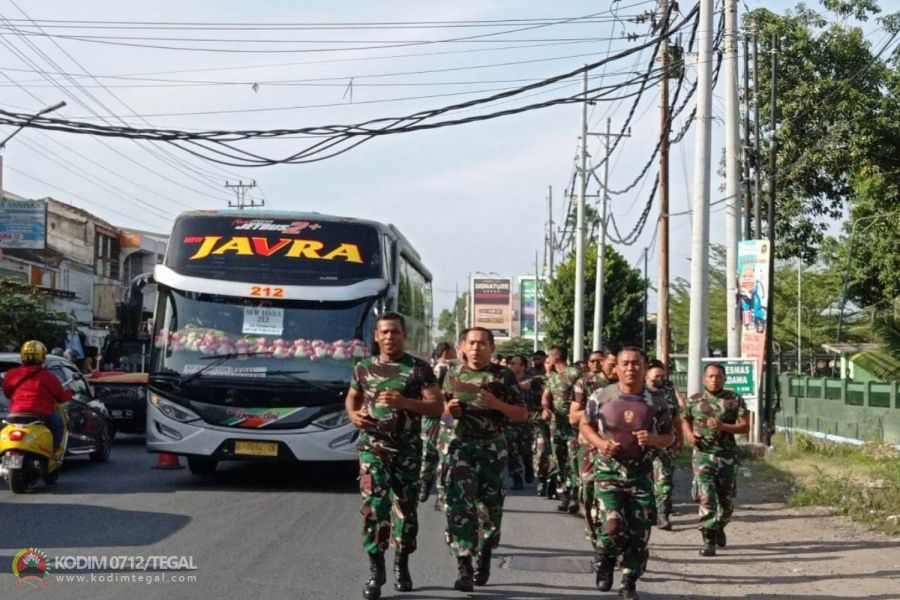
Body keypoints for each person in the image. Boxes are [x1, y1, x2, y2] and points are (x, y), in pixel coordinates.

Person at [344, 313, 444, 600]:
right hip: (372, 449)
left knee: (405, 510)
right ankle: (376, 571)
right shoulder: (363, 368)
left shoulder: (419, 369)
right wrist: (355, 415)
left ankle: (402, 563)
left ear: (404, 335)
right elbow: (352, 397)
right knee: (374, 509)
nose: (390, 337)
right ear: (376, 336)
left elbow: (436, 406)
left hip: (407, 451)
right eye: (385, 332)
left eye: (395, 332)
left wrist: (404, 402)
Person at [580, 347, 674, 600]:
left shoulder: (657, 399)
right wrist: (600, 444)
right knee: (612, 526)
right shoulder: (601, 395)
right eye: (625, 364)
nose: (630, 368)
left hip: (640, 474)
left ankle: (629, 579)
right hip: (608, 472)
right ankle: (605, 557)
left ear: (644, 367)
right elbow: (585, 425)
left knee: (639, 531)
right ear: (616, 367)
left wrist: (653, 439)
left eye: (636, 364)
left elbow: (669, 437)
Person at [442, 327, 527, 591]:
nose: (477, 348)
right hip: (461, 448)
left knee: (489, 508)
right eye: (472, 343)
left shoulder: (503, 377)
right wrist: (449, 410)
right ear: (463, 347)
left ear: (491, 348)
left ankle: (486, 553)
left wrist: (497, 405)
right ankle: (464, 564)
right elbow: (440, 414)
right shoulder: (452, 375)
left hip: (493, 450)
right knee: (459, 504)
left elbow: (522, 414)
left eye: (482, 343)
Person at [682, 362, 750, 556]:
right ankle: (708, 538)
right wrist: (688, 434)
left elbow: (745, 426)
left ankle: (719, 525)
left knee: (726, 502)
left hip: (726, 456)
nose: (714, 380)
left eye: (718, 376)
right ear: (704, 379)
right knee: (706, 497)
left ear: (724, 378)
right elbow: (684, 418)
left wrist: (723, 427)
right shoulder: (694, 400)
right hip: (703, 455)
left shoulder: (734, 399)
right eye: (711, 376)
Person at [569, 350, 610, 558]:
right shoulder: (586, 383)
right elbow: (573, 417)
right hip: (591, 448)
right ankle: (595, 536)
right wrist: (600, 410)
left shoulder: (631, 386)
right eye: (604, 362)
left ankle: (610, 540)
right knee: (588, 493)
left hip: (620, 450)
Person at [2, 340, 73, 456]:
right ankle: (53, 454)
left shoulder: (12, 374)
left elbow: (7, 393)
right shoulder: (48, 377)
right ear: (42, 356)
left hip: (15, 413)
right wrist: (70, 393)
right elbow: (61, 397)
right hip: (42, 413)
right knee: (59, 425)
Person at [541, 345, 582, 513]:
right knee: (559, 460)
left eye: (549, 356)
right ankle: (564, 492)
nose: (547, 360)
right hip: (556, 425)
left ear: (556, 357)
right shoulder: (553, 377)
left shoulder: (574, 374)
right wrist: (545, 407)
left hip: (572, 425)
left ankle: (574, 495)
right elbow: (546, 395)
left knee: (573, 459)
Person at [646, 359, 685, 530]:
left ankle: (663, 513)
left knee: (664, 478)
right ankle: (648, 511)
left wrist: (681, 437)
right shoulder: (638, 390)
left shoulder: (668, 389)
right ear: (647, 376)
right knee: (645, 478)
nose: (660, 379)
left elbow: (676, 416)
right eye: (656, 376)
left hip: (664, 440)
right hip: (643, 442)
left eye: (663, 375)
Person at [419, 342, 457, 502]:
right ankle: (434, 488)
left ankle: (428, 486)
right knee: (439, 454)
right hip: (439, 417)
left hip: (434, 417)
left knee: (434, 454)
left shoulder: (433, 367)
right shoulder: (442, 369)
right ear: (446, 352)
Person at [505, 354, 535, 489]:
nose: (510, 366)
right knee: (511, 451)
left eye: (513, 363)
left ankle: (529, 467)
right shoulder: (504, 380)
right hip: (509, 422)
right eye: (509, 363)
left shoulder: (532, 380)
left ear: (522, 366)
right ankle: (517, 478)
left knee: (526, 450)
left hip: (526, 422)